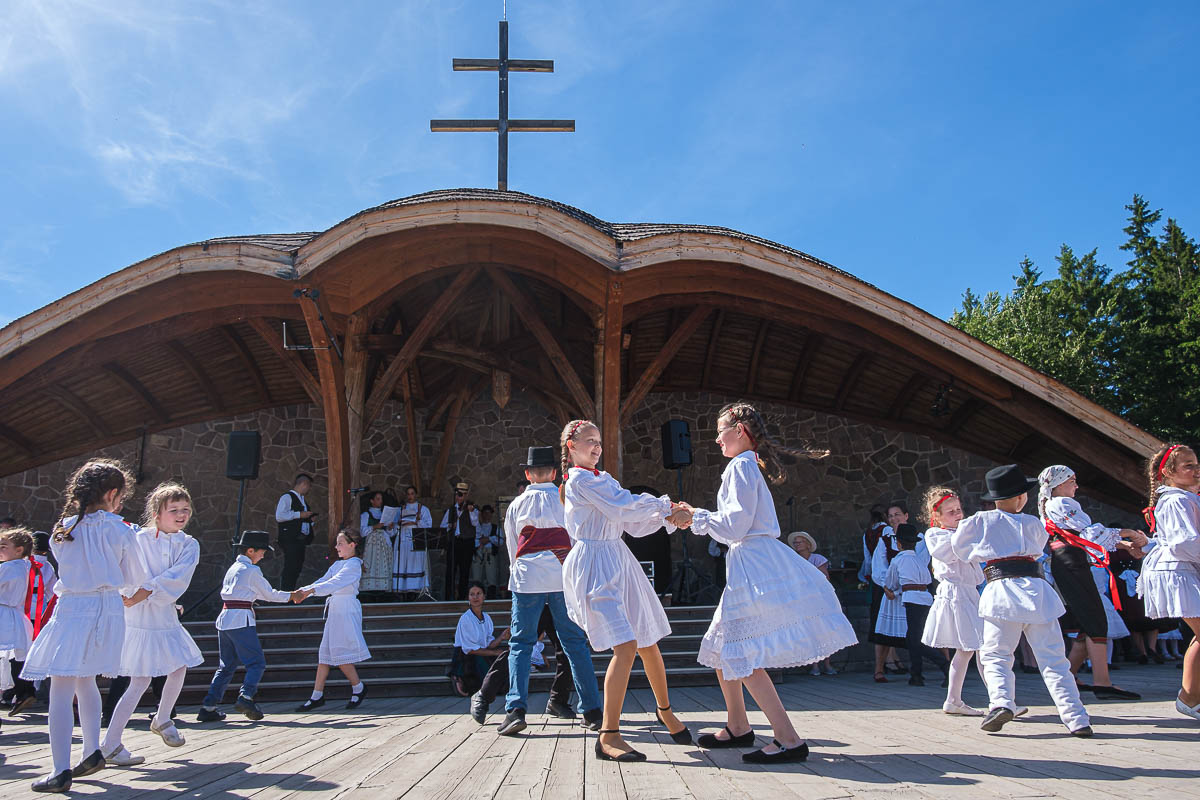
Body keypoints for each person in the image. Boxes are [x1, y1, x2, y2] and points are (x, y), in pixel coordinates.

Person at [680, 402, 855, 765]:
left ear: (739, 431)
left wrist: (695, 516)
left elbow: (734, 527)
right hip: (751, 562)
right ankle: (738, 726)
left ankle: (788, 739)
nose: (717, 439)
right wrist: (697, 517)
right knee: (722, 647)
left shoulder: (741, 467)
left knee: (741, 653)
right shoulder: (746, 465)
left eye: (720, 431)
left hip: (754, 565)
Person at [559, 419, 692, 762]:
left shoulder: (603, 479)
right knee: (627, 644)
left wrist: (667, 518)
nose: (597, 446)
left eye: (599, 441)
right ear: (571, 446)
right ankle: (608, 734)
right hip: (594, 565)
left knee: (647, 640)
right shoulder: (579, 481)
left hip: (619, 559)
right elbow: (622, 504)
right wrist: (666, 508)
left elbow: (630, 521)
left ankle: (665, 711)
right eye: (589, 441)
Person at [20, 459, 147, 793]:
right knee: (85, 678)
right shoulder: (122, 529)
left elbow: (66, 566)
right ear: (113, 493)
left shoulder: (63, 529)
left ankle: (60, 769)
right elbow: (134, 577)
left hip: (75, 606)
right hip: (108, 608)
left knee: (61, 687)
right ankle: (91, 751)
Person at [950, 464, 1092, 737]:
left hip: (1001, 592)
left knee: (996, 655)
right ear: (1021, 497)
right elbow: (1038, 548)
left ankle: (1001, 703)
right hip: (1037, 592)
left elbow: (960, 548)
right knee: (1054, 659)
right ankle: (1076, 717)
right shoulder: (1033, 523)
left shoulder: (979, 521)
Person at [485, 446, 602, 736]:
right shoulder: (566, 501)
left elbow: (512, 547)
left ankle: (515, 710)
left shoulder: (516, 505)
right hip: (563, 579)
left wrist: (518, 573)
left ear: (528, 474)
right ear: (554, 473)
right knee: (575, 643)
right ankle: (592, 711)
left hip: (528, 581)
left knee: (521, 645)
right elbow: (576, 540)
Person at [99, 482, 203, 767]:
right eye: (174, 510)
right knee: (139, 680)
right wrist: (130, 593)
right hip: (138, 616)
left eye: (185, 509)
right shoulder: (137, 538)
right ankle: (111, 743)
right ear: (157, 513)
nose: (181, 515)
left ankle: (163, 717)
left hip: (162, 612)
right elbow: (126, 567)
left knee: (179, 665)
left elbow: (178, 576)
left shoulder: (189, 544)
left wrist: (147, 591)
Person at [1037, 465, 1144, 701]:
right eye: (1072, 481)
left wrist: (1125, 544)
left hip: (1070, 562)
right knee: (1095, 620)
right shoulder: (1061, 503)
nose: (1076, 485)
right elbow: (1090, 533)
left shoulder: (1055, 505)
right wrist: (1129, 533)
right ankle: (1102, 683)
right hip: (1071, 564)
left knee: (1088, 622)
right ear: (1059, 484)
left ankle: (1070, 677)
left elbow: (1085, 537)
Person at [197, 530, 296, 724]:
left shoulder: (234, 568)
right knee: (256, 663)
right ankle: (246, 696)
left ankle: (208, 706)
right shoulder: (251, 570)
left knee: (226, 666)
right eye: (262, 551)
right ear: (251, 550)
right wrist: (292, 596)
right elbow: (269, 594)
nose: (263, 555)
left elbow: (249, 593)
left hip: (225, 620)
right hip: (240, 620)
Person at [1137, 444, 1200, 721]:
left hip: (1182, 568)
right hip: (1176, 571)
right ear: (1168, 472)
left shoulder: (1184, 498)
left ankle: (1191, 696)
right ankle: (1189, 698)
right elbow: (1183, 542)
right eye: (1188, 465)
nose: (1196, 470)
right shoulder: (1176, 500)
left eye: (1196, 464)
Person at [919, 487, 985, 716]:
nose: (958, 514)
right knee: (975, 647)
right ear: (936, 516)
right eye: (951, 512)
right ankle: (998, 700)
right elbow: (950, 552)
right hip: (955, 594)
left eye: (958, 509)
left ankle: (955, 699)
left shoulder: (962, 534)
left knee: (974, 649)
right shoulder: (935, 535)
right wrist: (968, 533)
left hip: (970, 593)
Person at [294, 528, 371, 711]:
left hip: (346, 610)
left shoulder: (354, 564)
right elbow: (323, 581)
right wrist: (302, 591)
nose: (337, 547)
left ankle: (358, 687)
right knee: (325, 653)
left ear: (352, 545)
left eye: (340, 543)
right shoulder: (337, 565)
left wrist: (310, 591)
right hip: (335, 610)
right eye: (337, 544)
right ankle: (317, 695)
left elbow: (334, 583)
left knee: (339, 652)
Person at [886, 523, 949, 688]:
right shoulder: (919, 561)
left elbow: (891, 582)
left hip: (912, 600)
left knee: (915, 640)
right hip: (926, 598)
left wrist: (890, 590)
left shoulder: (898, 560)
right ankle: (916, 674)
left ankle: (945, 666)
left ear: (898, 543)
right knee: (914, 638)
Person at [787, 532, 836, 676]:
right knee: (810, 631)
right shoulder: (793, 559)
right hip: (803, 598)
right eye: (795, 543)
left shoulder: (817, 559)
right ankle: (814, 665)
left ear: (807, 544)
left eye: (800, 542)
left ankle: (827, 664)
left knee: (824, 630)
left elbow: (824, 578)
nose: (797, 545)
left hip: (819, 598)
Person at [448, 581, 508, 696]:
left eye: (478, 593)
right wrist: (494, 653)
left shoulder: (487, 617)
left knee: (500, 682)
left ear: (484, 596)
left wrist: (501, 637)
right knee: (490, 686)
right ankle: (458, 676)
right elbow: (470, 650)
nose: (475, 597)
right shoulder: (466, 618)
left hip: (482, 652)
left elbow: (489, 644)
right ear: (468, 597)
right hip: (467, 656)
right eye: (472, 594)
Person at [0, 528, 36, 716]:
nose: (0, 549)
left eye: (4, 546)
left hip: (4, 614)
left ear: (19, 550)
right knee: (11, 659)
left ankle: (23, 691)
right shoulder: (23, 566)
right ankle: (24, 691)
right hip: (13, 615)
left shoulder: (9, 567)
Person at [276, 474, 317, 591]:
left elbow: (300, 520)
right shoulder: (287, 497)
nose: (309, 489)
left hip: (300, 539)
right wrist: (299, 514)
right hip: (290, 538)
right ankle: (285, 594)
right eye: (309, 486)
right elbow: (279, 516)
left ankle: (290, 592)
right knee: (290, 567)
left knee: (297, 567)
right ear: (303, 484)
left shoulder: (303, 500)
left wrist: (310, 520)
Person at [441, 483, 479, 601]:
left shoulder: (473, 509)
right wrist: (450, 526)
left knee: (464, 570)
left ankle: (462, 597)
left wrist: (471, 511)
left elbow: (475, 523)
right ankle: (449, 596)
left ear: (466, 496)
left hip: (466, 542)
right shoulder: (451, 510)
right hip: (454, 542)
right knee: (450, 570)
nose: (458, 497)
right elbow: (443, 526)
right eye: (457, 495)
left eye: (461, 495)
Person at [395, 486, 433, 595]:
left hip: (416, 537)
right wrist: (397, 524)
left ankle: (416, 589)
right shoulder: (401, 509)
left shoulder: (423, 509)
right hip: (403, 538)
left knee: (416, 563)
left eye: (412, 493)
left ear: (416, 495)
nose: (410, 496)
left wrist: (417, 521)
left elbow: (428, 525)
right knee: (403, 563)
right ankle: (403, 589)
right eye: (408, 494)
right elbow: (394, 526)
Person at [359, 491, 396, 594]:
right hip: (371, 546)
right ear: (372, 501)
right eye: (378, 499)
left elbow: (390, 534)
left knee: (383, 566)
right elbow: (362, 531)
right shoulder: (366, 515)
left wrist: (390, 528)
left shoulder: (384, 514)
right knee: (371, 565)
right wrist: (375, 527)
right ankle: (369, 589)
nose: (380, 501)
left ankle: (383, 588)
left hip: (384, 545)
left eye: (381, 499)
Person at [472, 504, 503, 598]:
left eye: (489, 513)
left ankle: (491, 597)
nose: (487, 515)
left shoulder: (496, 528)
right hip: (478, 553)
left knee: (491, 576)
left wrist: (489, 539)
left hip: (490, 554)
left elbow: (500, 541)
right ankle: (477, 596)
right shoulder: (477, 527)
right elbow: (473, 539)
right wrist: (480, 542)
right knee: (477, 576)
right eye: (485, 513)